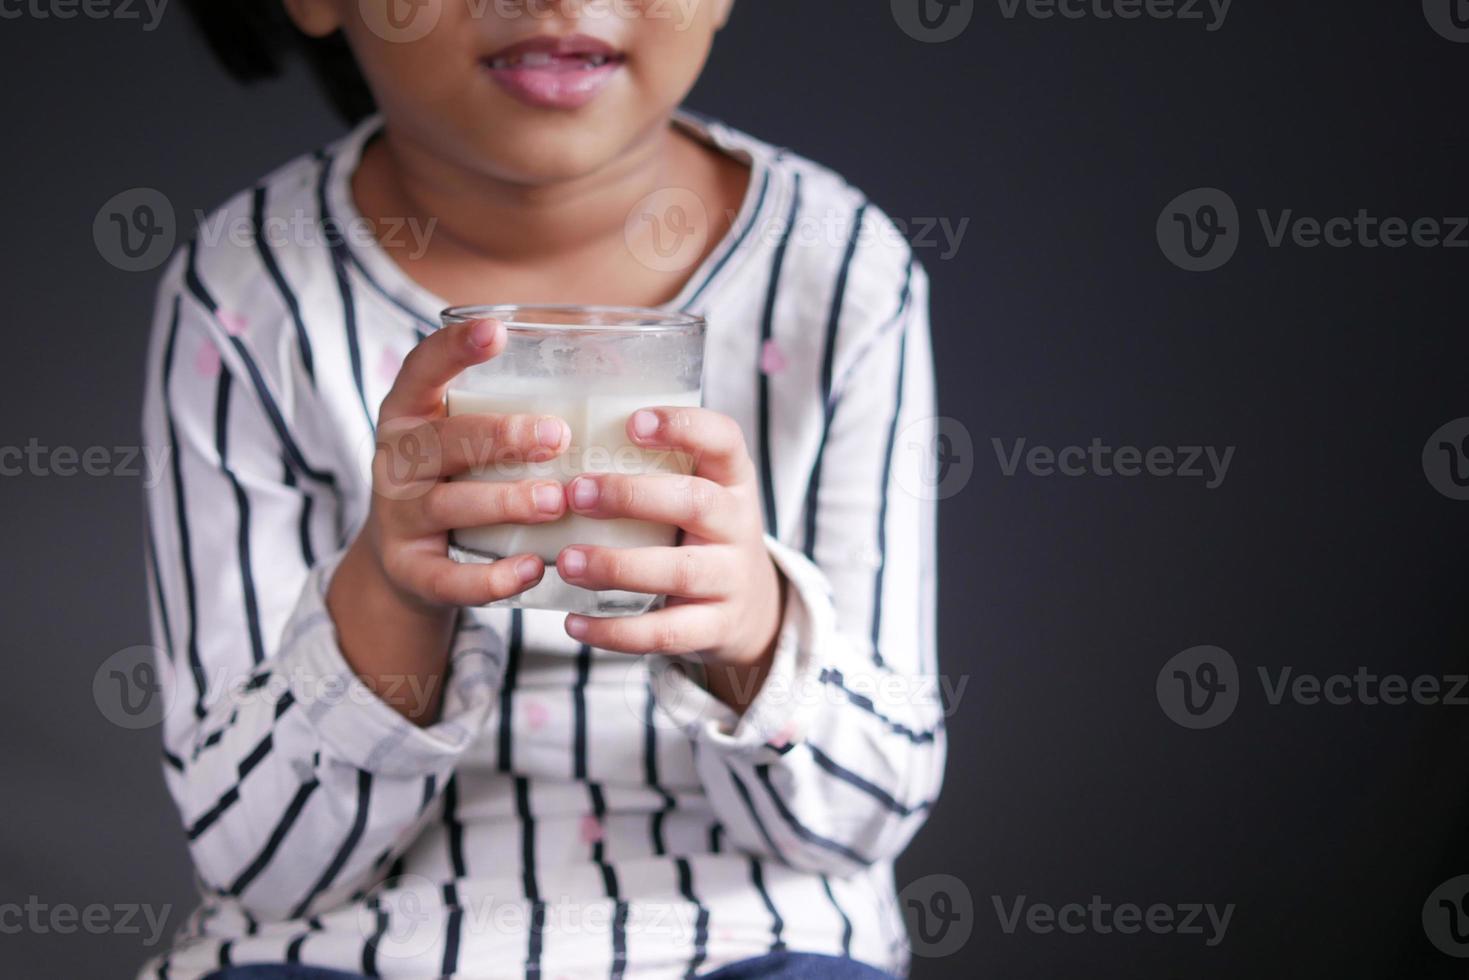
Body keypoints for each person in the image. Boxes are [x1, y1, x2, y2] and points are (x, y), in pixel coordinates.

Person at [140, 1, 944, 977]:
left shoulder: (841, 269)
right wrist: (390, 593)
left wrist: (753, 630)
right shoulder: (247, 288)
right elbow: (254, 856)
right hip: (351, 946)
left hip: (746, 935)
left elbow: (864, 816)